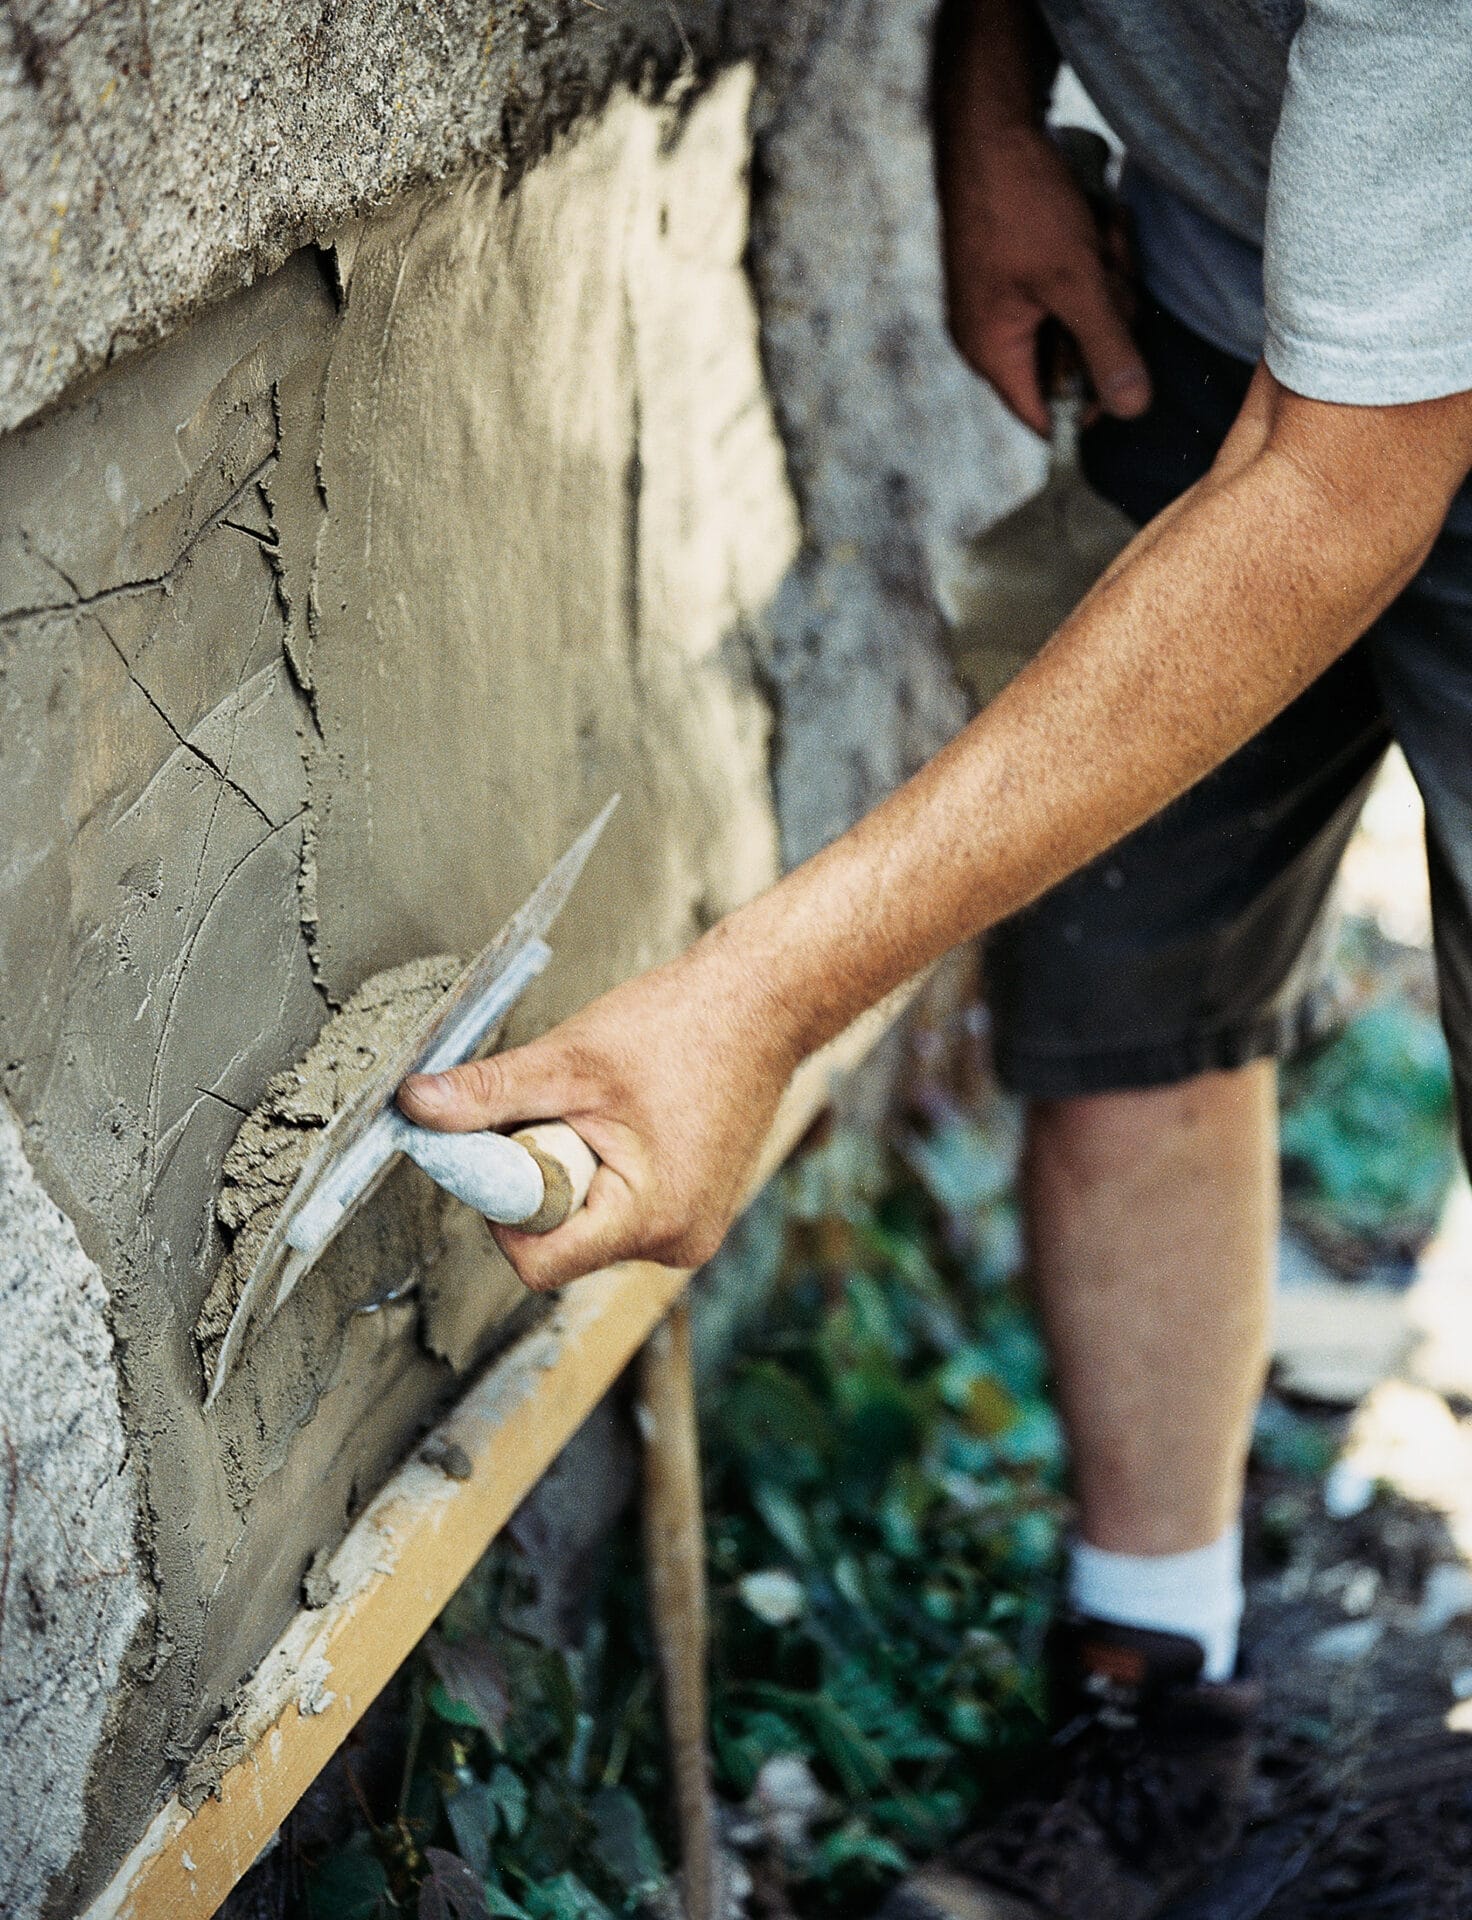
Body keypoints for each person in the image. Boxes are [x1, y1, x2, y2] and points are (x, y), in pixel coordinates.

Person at [402, 2, 1472, 1911]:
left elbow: (1336, 493)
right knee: (1121, 982)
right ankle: (1160, 1696)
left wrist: (758, 998)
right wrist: (985, 102)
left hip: (1359, 422)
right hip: (1233, 319)